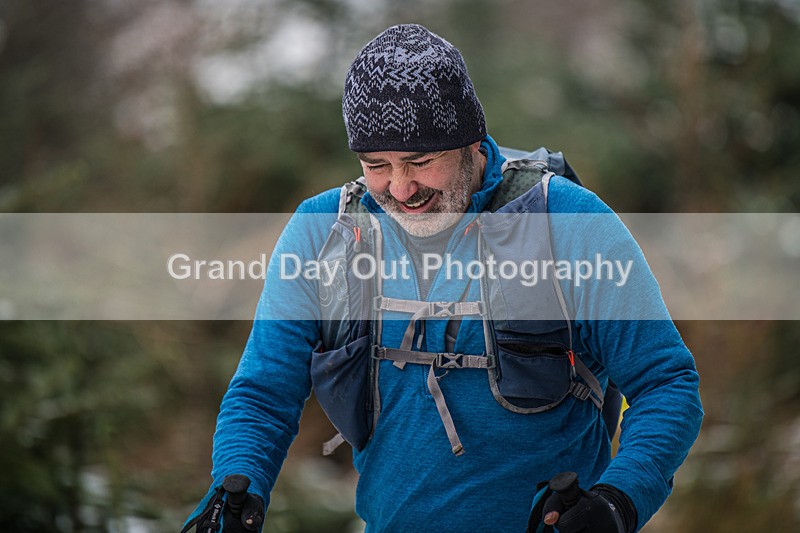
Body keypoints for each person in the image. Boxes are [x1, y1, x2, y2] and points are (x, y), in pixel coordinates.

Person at [182, 24, 703, 533]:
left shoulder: (567, 224)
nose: (401, 188)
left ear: (471, 141)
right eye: (376, 165)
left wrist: (618, 501)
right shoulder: (323, 233)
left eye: (420, 161)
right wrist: (236, 491)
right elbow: (263, 393)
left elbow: (667, 384)